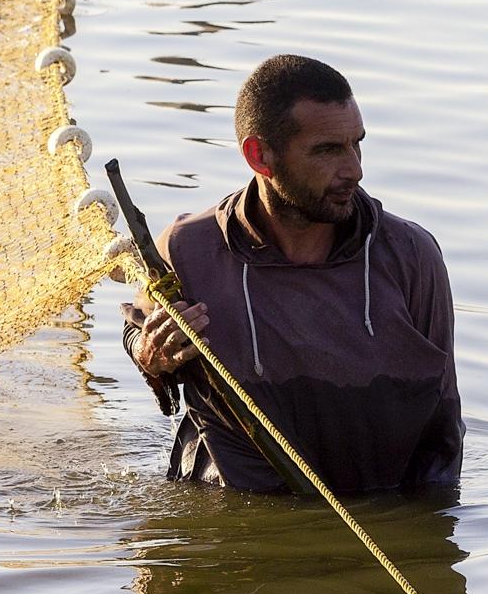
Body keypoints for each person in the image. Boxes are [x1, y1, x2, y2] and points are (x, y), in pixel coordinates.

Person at [122, 54, 463, 493]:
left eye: (357, 143)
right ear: (259, 155)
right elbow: (136, 333)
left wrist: (427, 533)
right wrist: (154, 353)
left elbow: (443, 421)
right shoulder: (187, 250)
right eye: (327, 150)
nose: (355, 170)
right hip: (227, 522)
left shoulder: (412, 257)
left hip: (377, 510)